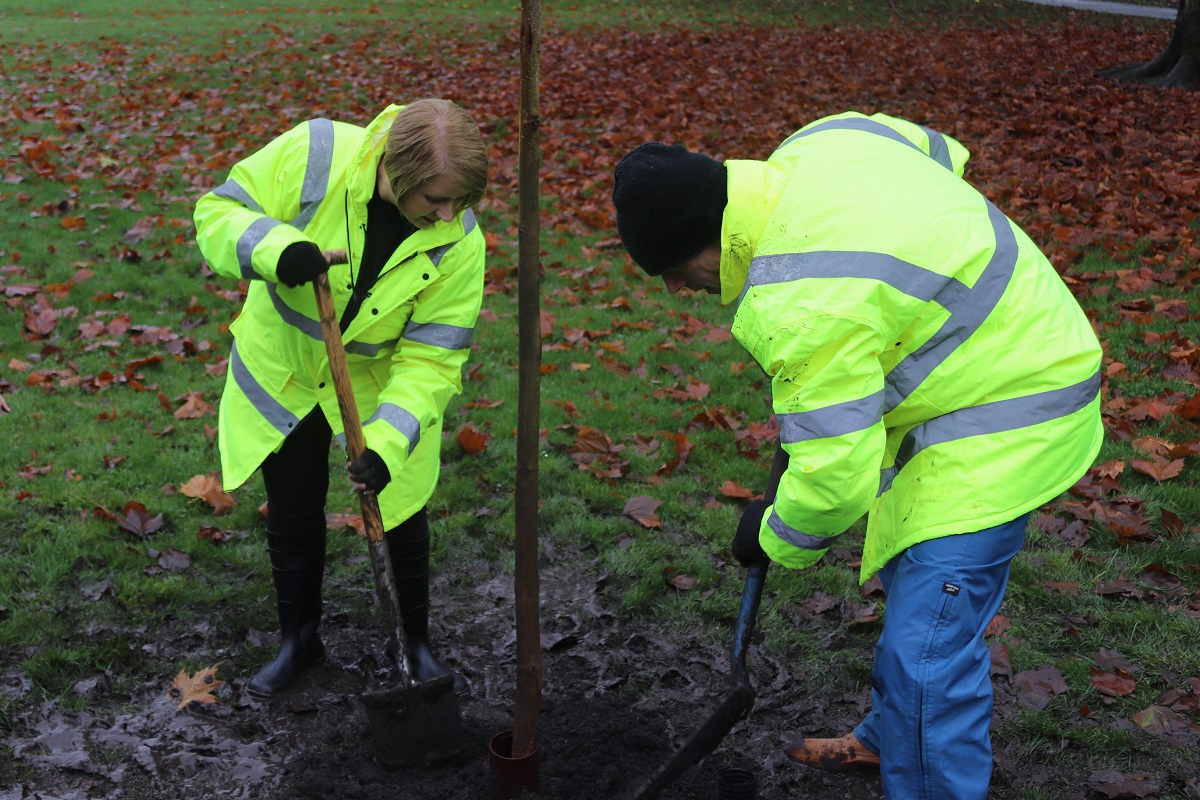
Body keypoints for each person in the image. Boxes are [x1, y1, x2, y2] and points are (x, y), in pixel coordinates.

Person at [611, 111, 1102, 799]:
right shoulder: (821, 143)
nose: (671, 289)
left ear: (704, 242)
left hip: (1009, 410)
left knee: (925, 650)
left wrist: (773, 534)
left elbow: (837, 483)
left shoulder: (802, 297)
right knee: (913, 591)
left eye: (668, 270)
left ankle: (927, 772)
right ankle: (888, 740)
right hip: (973, 360)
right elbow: (940, 151)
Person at [193, 99, 489, 697]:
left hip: (378, 380)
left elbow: (432, 358)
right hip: (288, 367)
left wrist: (385, 443)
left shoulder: (458, 241)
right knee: (294, 499)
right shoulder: (315, 153)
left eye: (462, 201)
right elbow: (220, 212)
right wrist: (277, 250)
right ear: (395, 175)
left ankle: (414, 643)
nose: (450, 214)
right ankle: (297, 641)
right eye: (436, 200)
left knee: (400, 500)